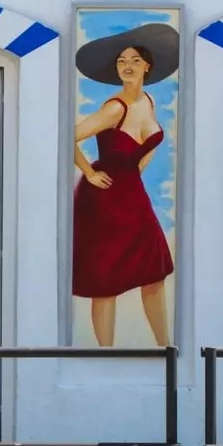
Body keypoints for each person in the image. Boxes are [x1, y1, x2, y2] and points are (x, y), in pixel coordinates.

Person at [72, 21, 179, 347]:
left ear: (147, 66)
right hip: (103, 200)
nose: (127, 66)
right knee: (106, 283)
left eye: (134, 60)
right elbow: (67, 135)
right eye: (121, 61)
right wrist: (89, 172)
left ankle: (166, 349)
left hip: (132, 195)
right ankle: (104, 355)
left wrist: (137, 167)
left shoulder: (148, 100)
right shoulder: (113, 108)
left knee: (154, 273)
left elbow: (150, 143)